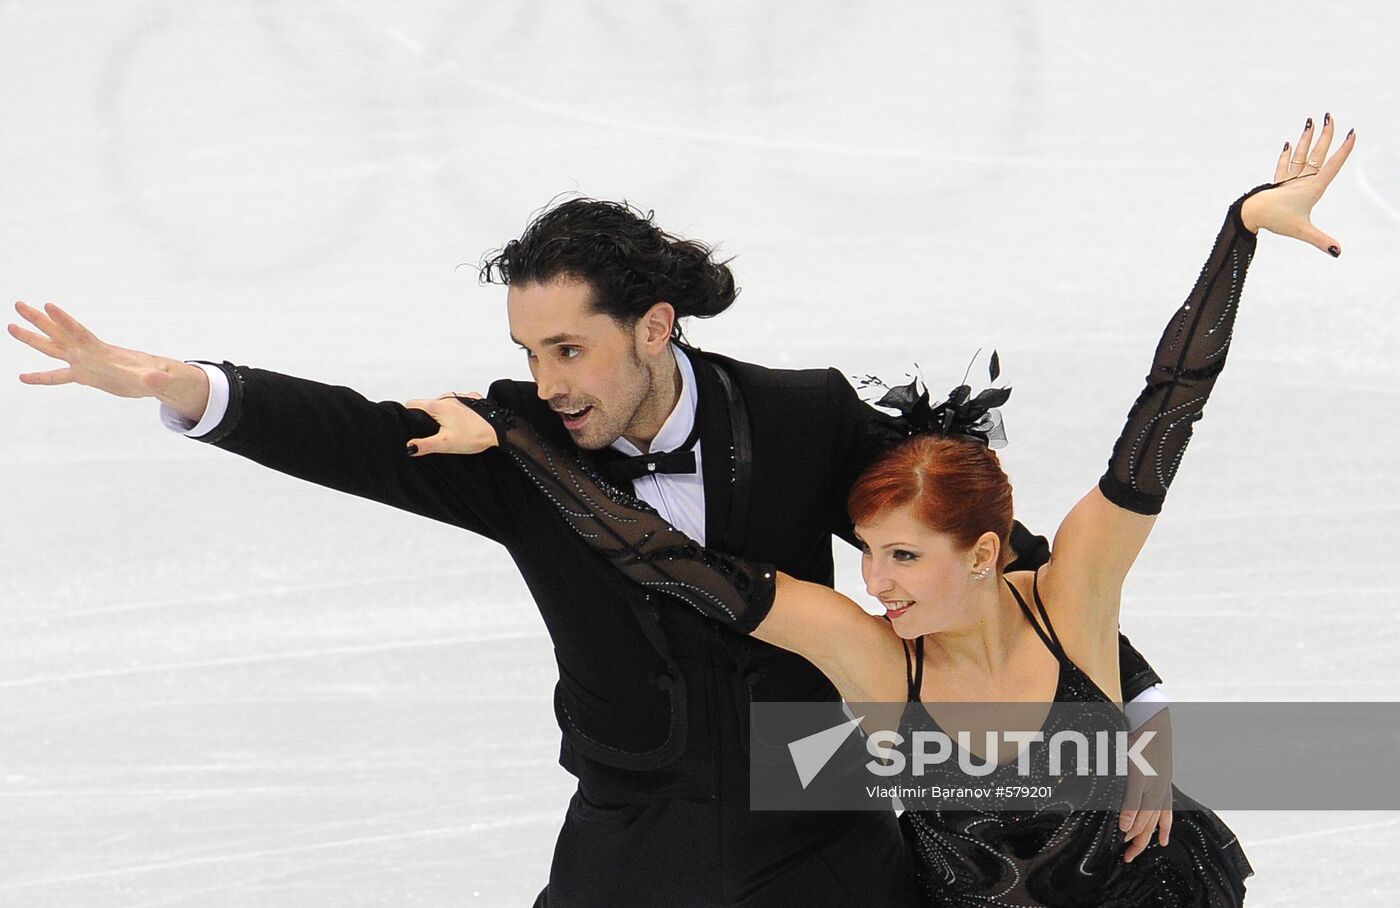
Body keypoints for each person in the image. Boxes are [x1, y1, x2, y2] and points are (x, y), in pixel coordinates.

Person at [12, 191, 1172, 906]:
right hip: (635, 820)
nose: (548, 379)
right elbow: (357, 437)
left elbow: (997, 559)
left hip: (818, 812)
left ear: (655, 327)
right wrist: (180, 385)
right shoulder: (514, 441)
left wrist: (1130, 711)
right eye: (529, 349)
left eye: (571, 348)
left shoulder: (798, 415)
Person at [409, 116, 1354, 905]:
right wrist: (518, 436)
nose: (872, 580)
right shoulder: (866, 655)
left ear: (985, 554)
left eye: (903, 557)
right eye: (869, 552)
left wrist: (1242, 231)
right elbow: (661, 556)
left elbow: (1166, 412)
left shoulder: (1075, 597)